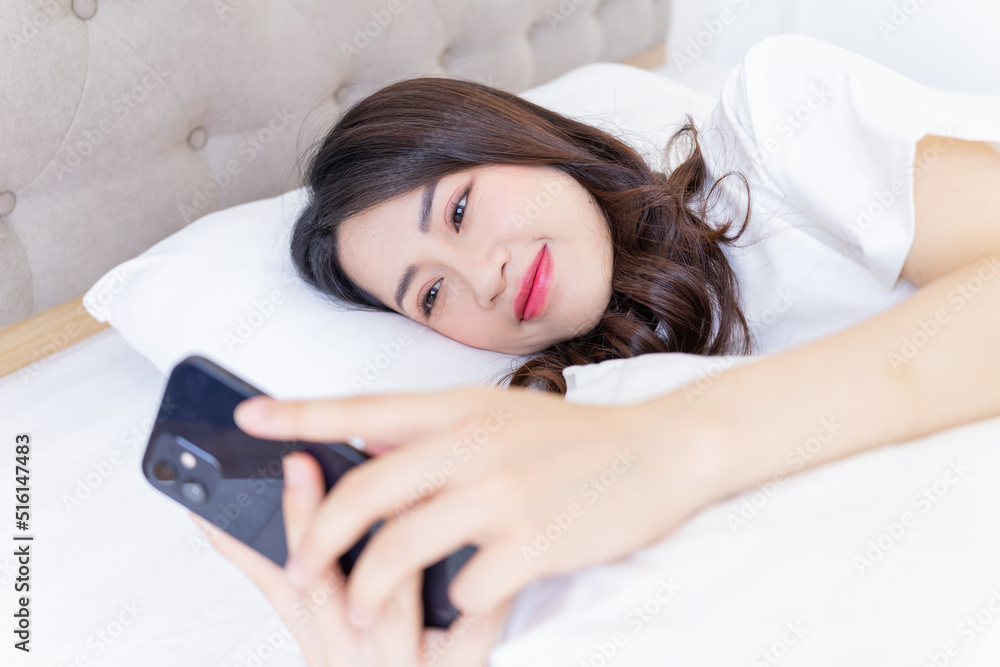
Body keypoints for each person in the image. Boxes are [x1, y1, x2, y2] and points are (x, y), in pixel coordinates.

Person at [189, 34, 1000, 666]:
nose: (484, 277)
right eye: (431, 295)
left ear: (519, 134)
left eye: (463, 210)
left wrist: (677, 442)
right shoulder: (583, 412)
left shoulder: (772, 130)